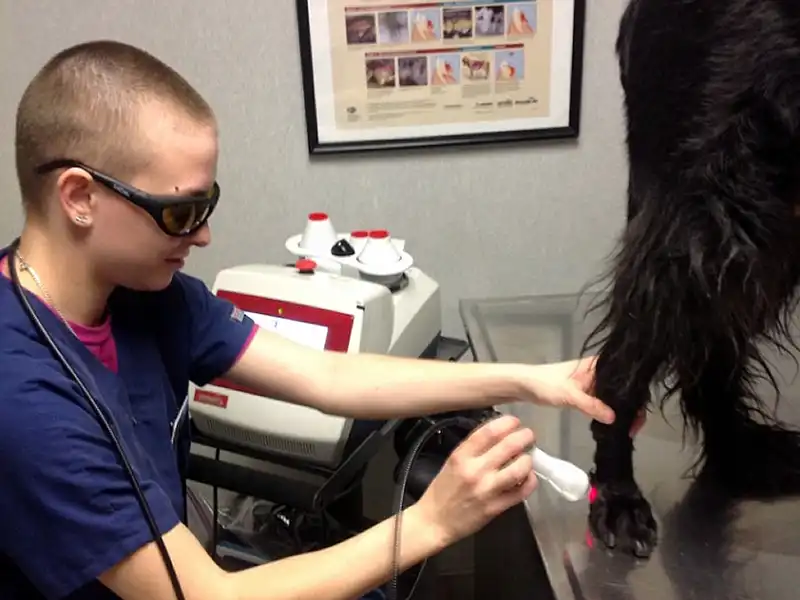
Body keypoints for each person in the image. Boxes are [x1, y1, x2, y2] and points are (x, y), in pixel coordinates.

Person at [0, 40, 614, 600]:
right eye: (181, 212)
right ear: (79, 197)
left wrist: (536, 381)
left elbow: (328, 378)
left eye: (207, 205)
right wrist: (430, 523)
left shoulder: (148, 298)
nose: (206, 234)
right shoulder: (23, 398)